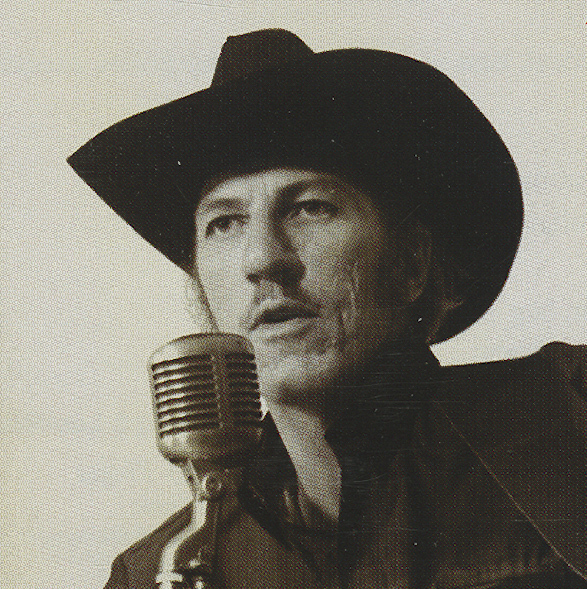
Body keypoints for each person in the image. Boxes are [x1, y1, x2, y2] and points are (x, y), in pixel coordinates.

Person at [68, 29, 586, 589]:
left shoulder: (567, 416)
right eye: (224, 223)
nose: (262, 259)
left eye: (311, 208)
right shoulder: (160, 570)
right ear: (202, 293)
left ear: (410, 262)